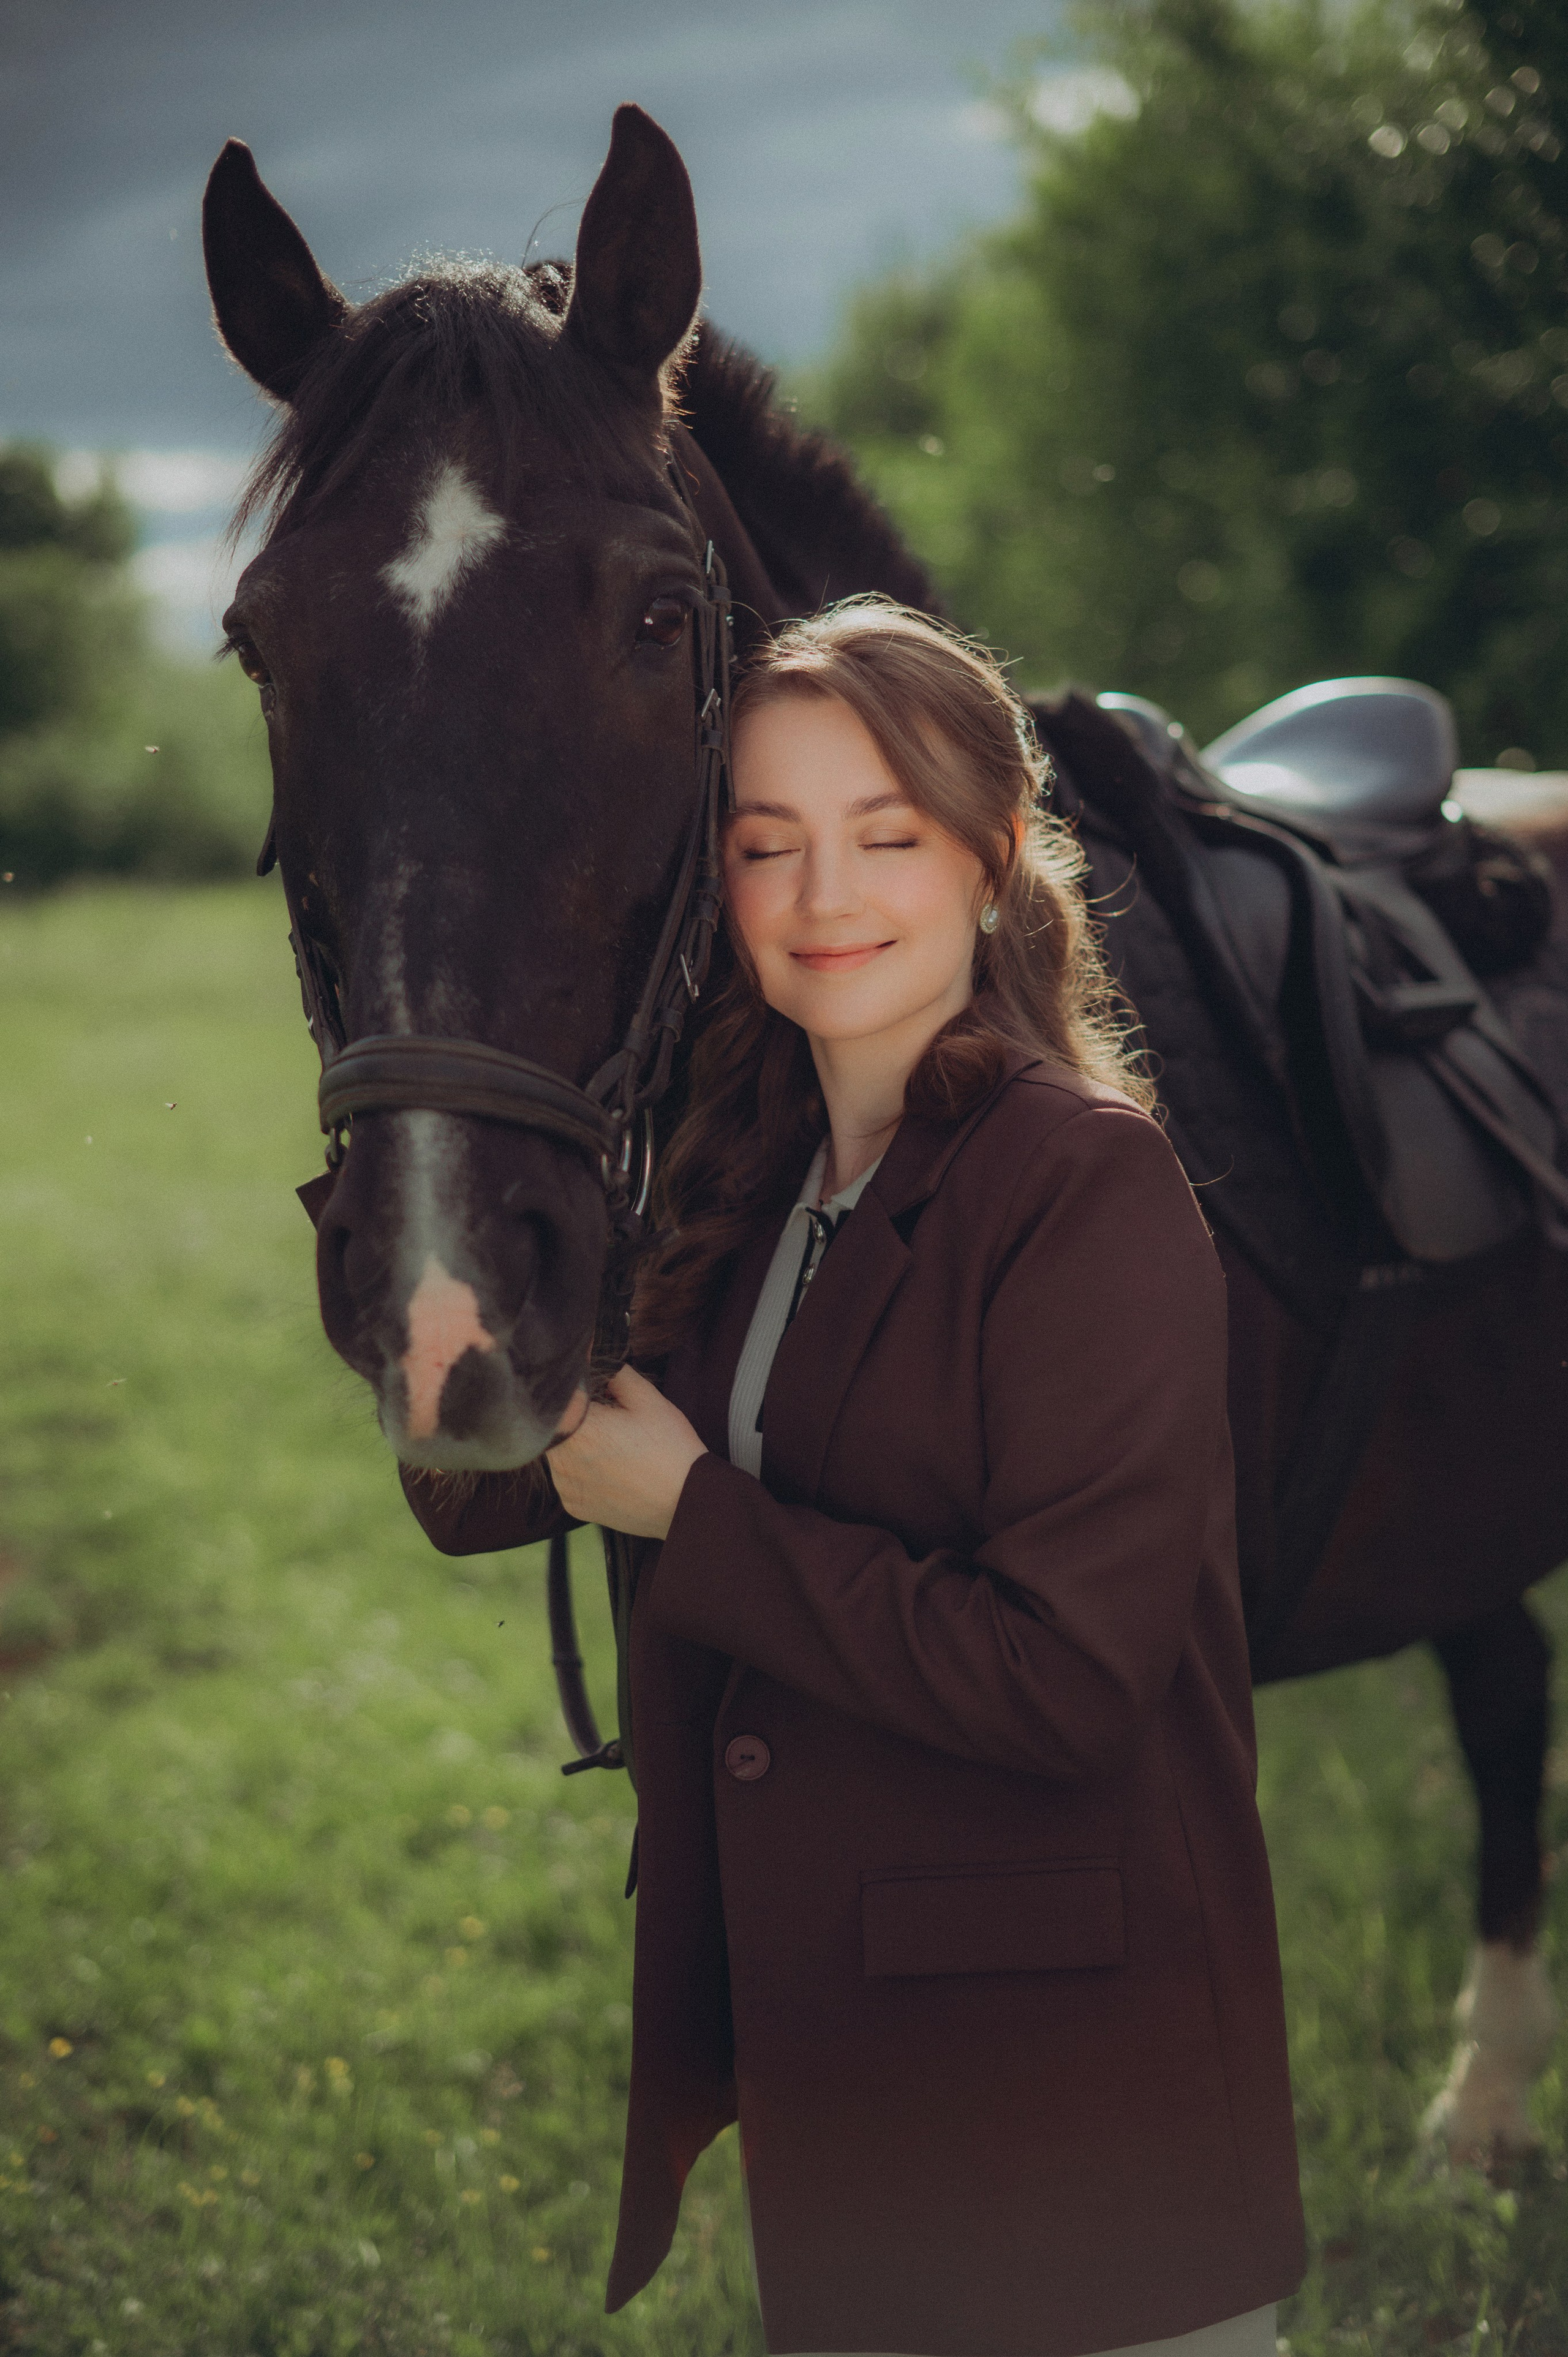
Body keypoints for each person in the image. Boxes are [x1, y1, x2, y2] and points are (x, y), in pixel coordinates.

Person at [403, 600, 1306, 2357]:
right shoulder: (749, 1184)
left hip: (1073, 2108)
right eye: (766, 846)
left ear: (993, 861)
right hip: (857, 2094)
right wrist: (426, 1139)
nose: (825, 898)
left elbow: (1068, 1680)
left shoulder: (1084, 1187)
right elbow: (483, 1481)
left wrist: (698, 1523)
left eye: (887, 837)